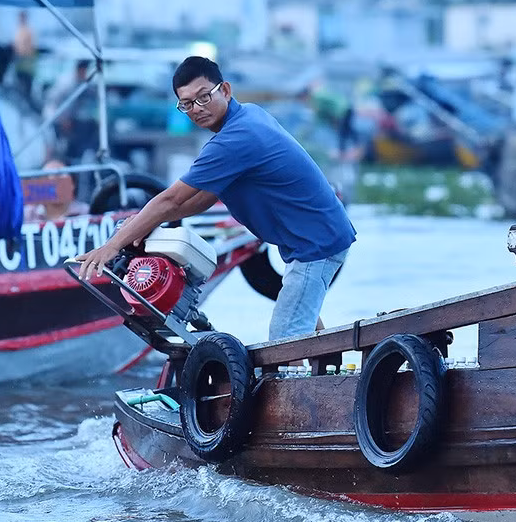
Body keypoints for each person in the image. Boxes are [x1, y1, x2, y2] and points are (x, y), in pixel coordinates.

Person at [76, 56, 356, 341]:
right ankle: (330, 374)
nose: (196, 109)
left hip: (316, 245)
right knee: (299, 315)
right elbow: (203, 199)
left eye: (203, 97)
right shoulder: (247, 115)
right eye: (187, 104)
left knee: (285, 339)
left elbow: (170, 199)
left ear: (225, 90)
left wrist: (111, 246)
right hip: (312, 239)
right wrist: (144, 224)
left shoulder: (235, 139)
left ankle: (306, 383)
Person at [12, 10, 37, 100]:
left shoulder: (28, 31)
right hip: (19, 62)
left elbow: (30, 48)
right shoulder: (19, 31)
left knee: (26, 87)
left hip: (26, 63)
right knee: (19, 86)